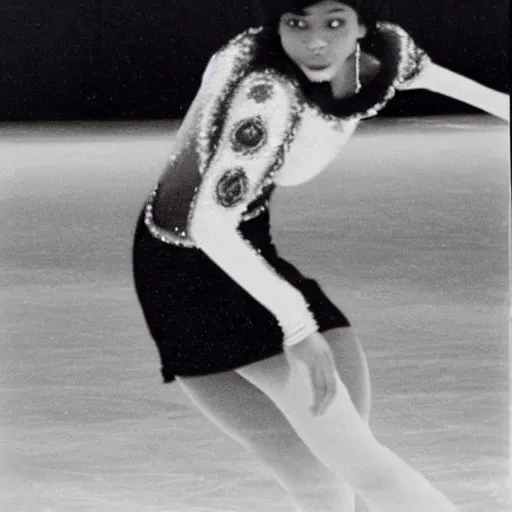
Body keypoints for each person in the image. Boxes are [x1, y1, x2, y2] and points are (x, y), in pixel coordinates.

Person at [132, 1, 509, 510]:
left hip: (237, 247)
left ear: (362, 25)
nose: (315, 42)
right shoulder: (265, 95)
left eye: (334, 24)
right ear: (276, 24)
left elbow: (478, 94)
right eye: (296, 23)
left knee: (322, 481)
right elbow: (207, 223)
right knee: (357, 471)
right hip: (192, 270)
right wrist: (298, 328)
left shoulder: (384, 55)